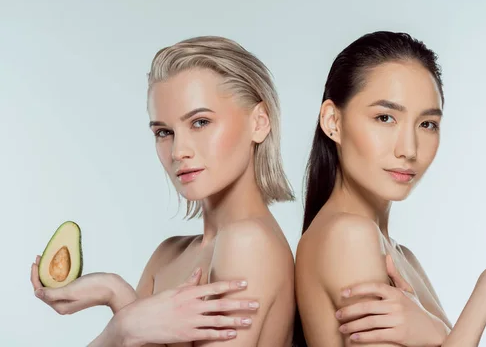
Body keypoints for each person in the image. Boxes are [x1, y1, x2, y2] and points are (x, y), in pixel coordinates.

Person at [293, 30, 486, 346]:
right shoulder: (348, 236)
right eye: (385, 117)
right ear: (332, 121)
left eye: (427, 124)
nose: (408, 149)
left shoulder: (398, 254)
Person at [30, 36, 297, 347]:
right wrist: (114, 293)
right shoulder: (167, 255)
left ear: (260, 122)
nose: (178, 151)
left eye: (200, 122)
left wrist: (124, 326)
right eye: (164, 132)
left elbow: (129, 335)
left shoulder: (248, 243)